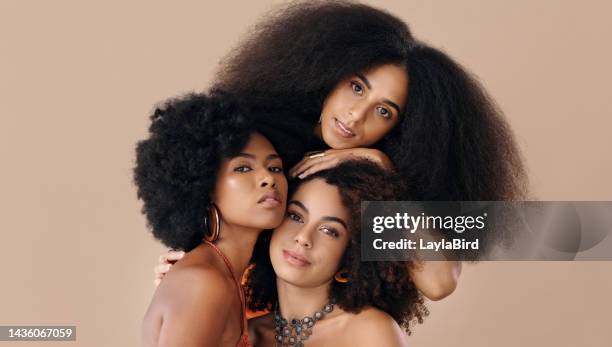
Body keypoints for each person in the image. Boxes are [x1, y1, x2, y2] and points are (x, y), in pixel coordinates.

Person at [159, 161, 429, 346]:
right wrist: (187, 299)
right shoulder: (244, 332)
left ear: (351, 260)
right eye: (296, 216)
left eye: (330, 231)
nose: (303, 237)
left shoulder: (370, 332)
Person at [134, 92, 288, 346]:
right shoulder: (205, 283)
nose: (268, 178)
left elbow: (378, 253)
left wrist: (376, 168)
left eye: (275, 168)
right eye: (243, 168)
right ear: (203, 186)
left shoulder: (227, 277)